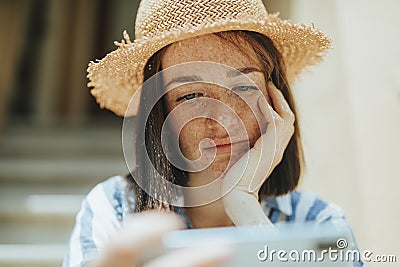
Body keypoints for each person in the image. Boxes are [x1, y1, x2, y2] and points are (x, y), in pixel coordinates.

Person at [63, 0, 362, 266]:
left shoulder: (317, 222)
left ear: (277, 102)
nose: (222, 120)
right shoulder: (114, 211)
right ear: (161, 114)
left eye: (244, 88)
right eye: (191, 97)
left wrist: (245, 207)